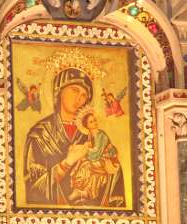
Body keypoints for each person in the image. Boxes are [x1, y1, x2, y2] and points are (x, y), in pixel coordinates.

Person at [23, 67, 125, 207]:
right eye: (75, 90)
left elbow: (112, 164)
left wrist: (111, 170)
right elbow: (32, 187)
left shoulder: (92, 133)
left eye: (84, 95)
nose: (79, 99)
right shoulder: (40, 134)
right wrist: (67, 163)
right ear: (59, 90)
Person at [69, 108, 122, 205]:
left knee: (86, 165)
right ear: (87, 126)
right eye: (91, 122)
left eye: (94, 120)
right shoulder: (90, 135)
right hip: (98, 158)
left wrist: (85, 150)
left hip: (107, 159)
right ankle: (80, 190)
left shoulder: (101, 135)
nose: (95, 122)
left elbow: (95, 154)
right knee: (81, 163)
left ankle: (85, 192)